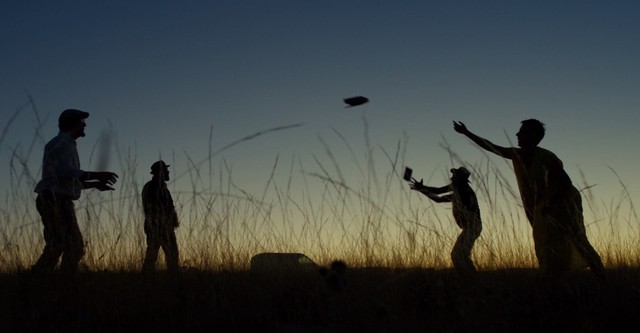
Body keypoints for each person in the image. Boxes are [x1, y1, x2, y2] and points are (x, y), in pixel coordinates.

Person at [453, 119, 606, 280]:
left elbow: (565, 183)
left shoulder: (547, 157)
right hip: (545, 205)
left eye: (522, 131)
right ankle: (553, 283)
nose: (517, 134)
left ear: (533, 136)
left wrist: (551, 203)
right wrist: (466, 133)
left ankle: (601, 279)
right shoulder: (517, 154)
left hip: (564, 202)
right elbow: (492, 147)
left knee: (577, 240)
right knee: (546, 244)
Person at [32, 109, 118, 275]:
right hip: (53, 200)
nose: (84, 126)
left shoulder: (67, 144)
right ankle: (46, 283)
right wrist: (96, 175)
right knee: (67, 245)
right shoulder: (59, 144)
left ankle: (44, 283)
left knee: (61, 245)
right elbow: (67, 172)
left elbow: (67, 181)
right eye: (82, 122)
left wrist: (94, 184)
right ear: (71, 124)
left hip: (57, 199)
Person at [410, 167, 482, 275]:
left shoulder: (463, 192)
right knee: (460, 255)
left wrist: (422, 189)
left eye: (455, 175)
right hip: (472, 227)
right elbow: (438, 192)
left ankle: (471, 280)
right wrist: (422, 188)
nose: (452, 177)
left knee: (458, 255)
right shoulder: (459, 188)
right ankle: (470, 278)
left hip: (472, 228)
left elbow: (438, 198)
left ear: (460, 179)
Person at [141, 160, 180, 273]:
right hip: (156, 227)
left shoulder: (162, 187)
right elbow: (152, 209)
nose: (168, 172)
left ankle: (173, 280)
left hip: (165, 227)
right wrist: (162, 224)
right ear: (160, 172)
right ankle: (146, 281)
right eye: (166, 170)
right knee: (153, 256)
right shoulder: (151, 187)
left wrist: (172, 222)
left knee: (172, 255)